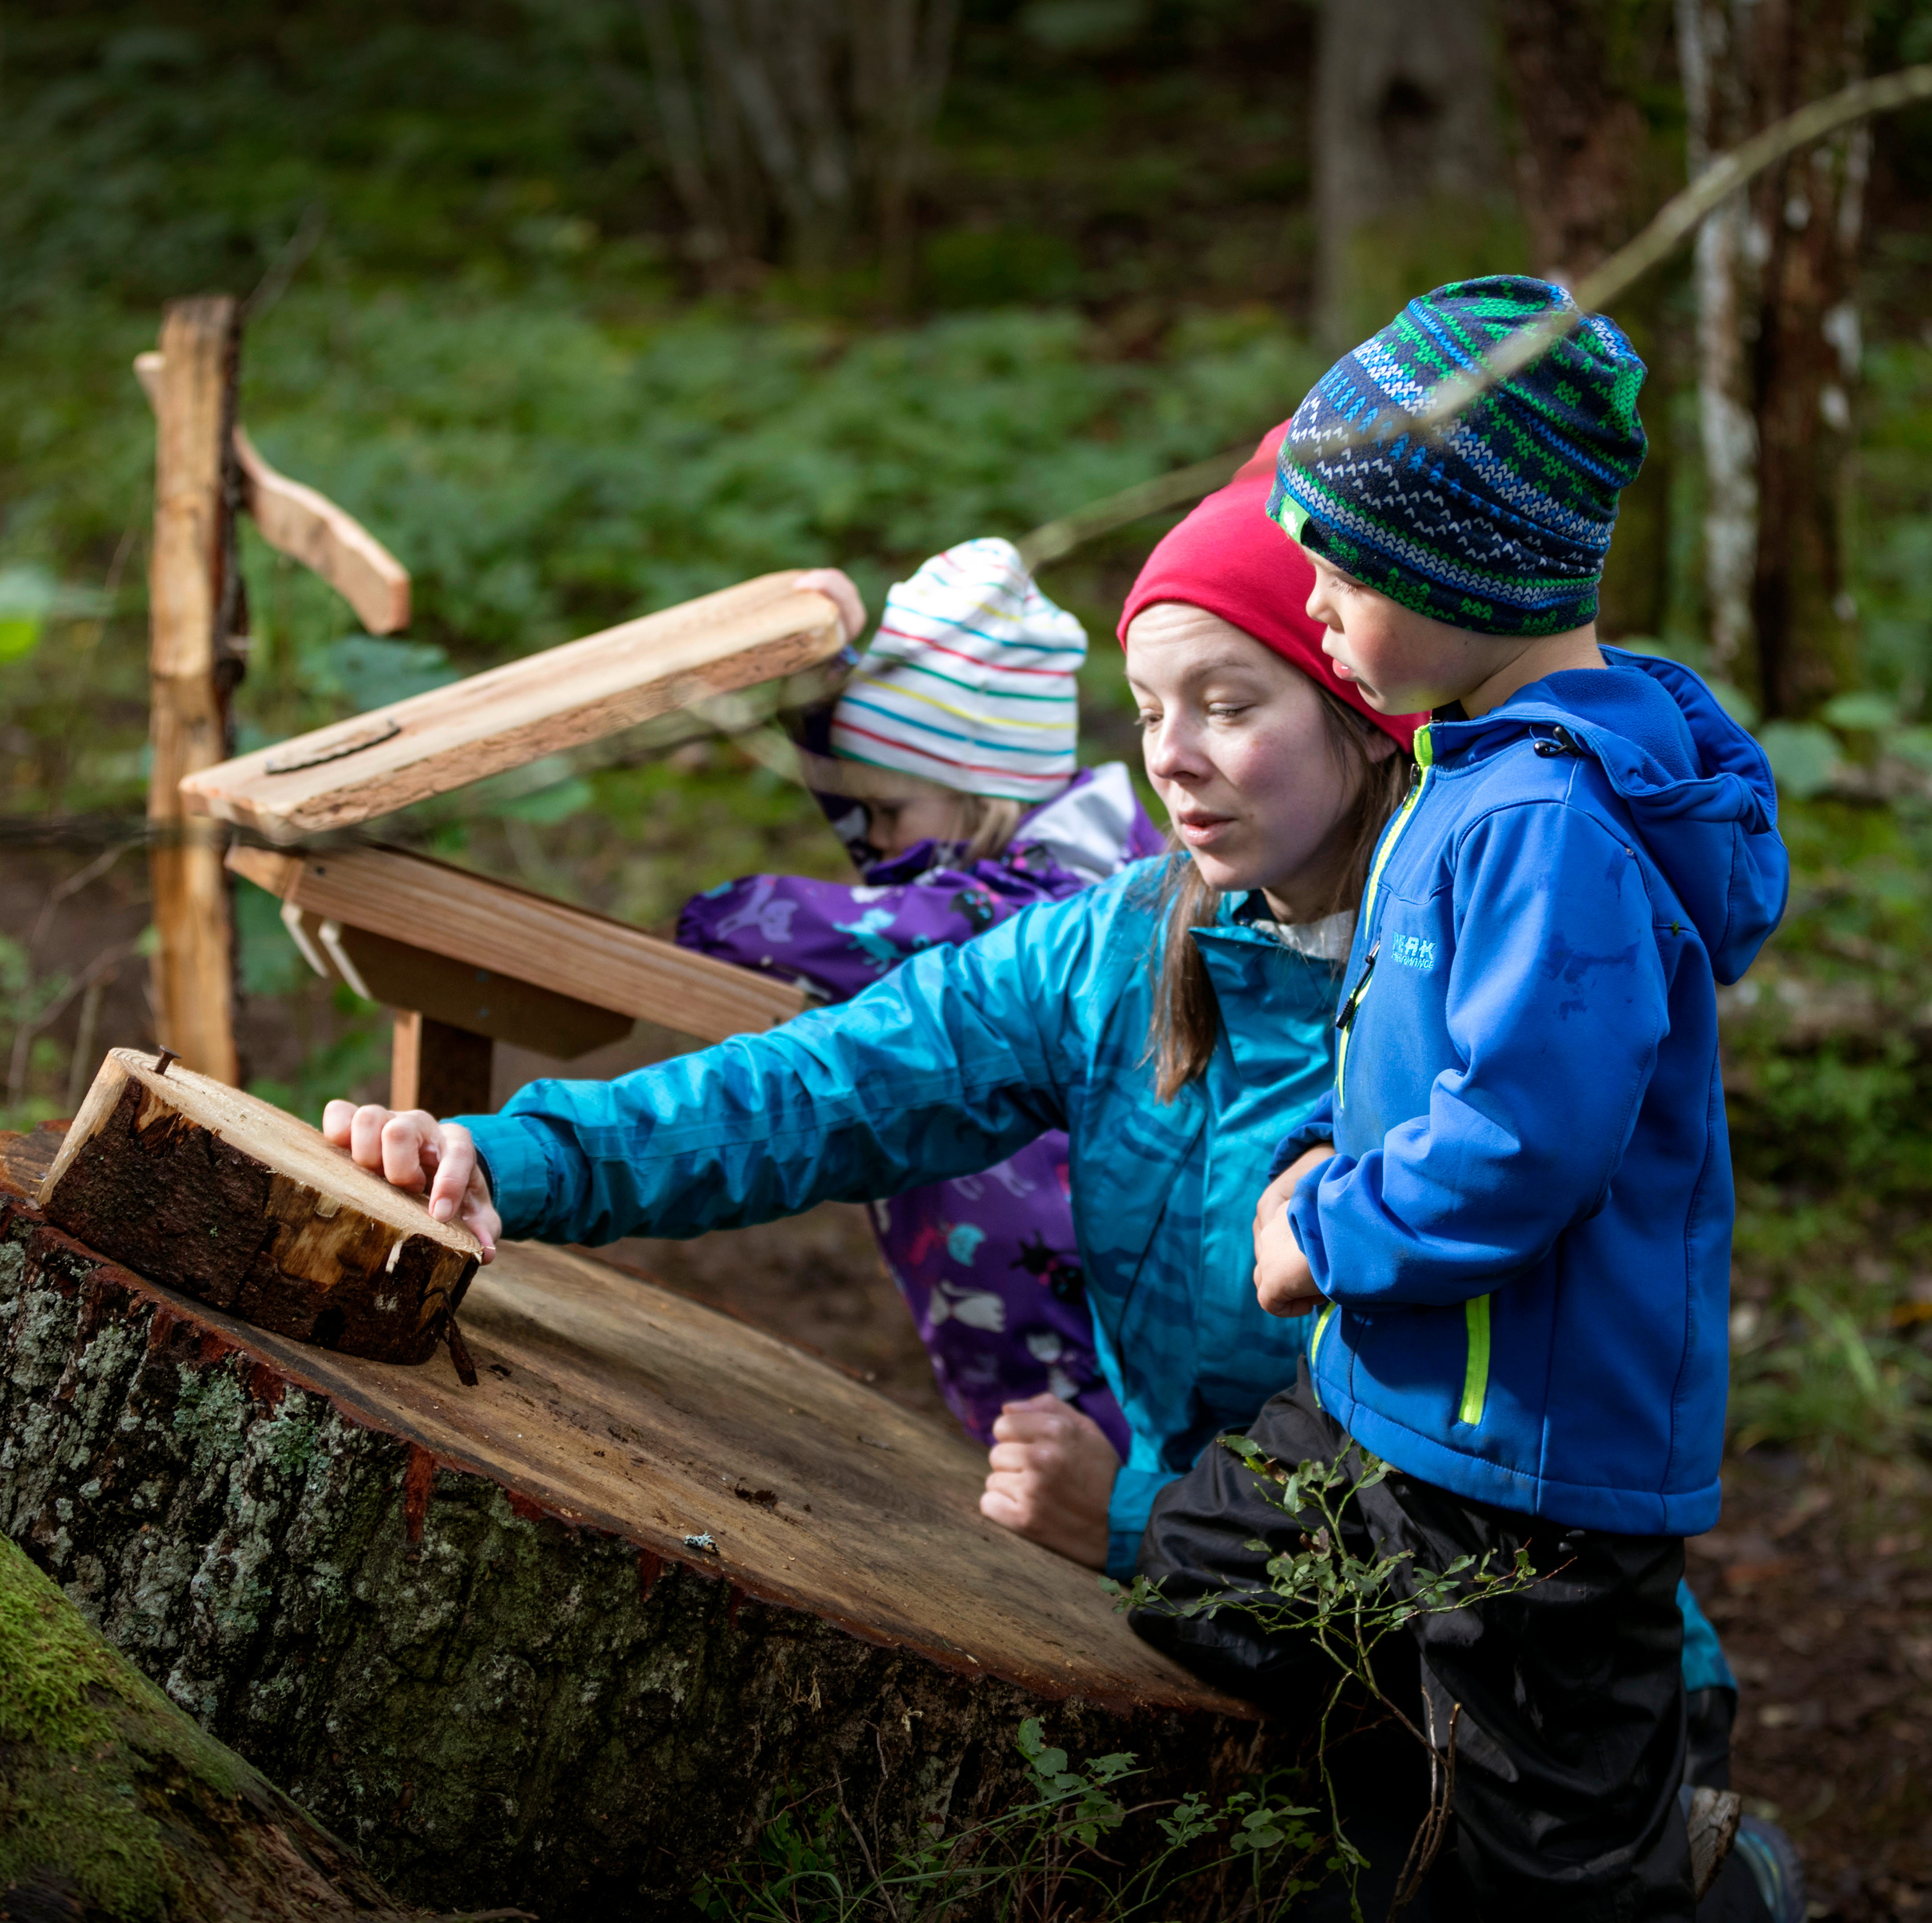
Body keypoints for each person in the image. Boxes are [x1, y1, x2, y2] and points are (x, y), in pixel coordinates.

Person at [1137, 278, 1793, 1919]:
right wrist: (1325, 1166)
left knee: (1553, 1870)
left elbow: (1522, 1147)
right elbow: (1453, 1073)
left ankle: (1719, 1891)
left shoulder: (1548, 824)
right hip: (1390, 1407)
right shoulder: (1472, 769)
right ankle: (1381, 1836)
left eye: (1342, 564)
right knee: (1206, 1574)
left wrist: (1332, 1236)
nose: (1314, 591)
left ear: (1460, 568)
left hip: (1531, 1466)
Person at [675, 539, 1162, 1458]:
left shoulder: (1048, 901)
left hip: (1088, 1341)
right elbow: (872, 799)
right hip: (1015, 1323)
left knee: (1078, 1510)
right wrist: (812, 674)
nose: (875, 838)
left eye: (894, 812)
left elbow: (873, 927)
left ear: (975, 789)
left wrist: (722, 915)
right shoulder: (1006, 840)